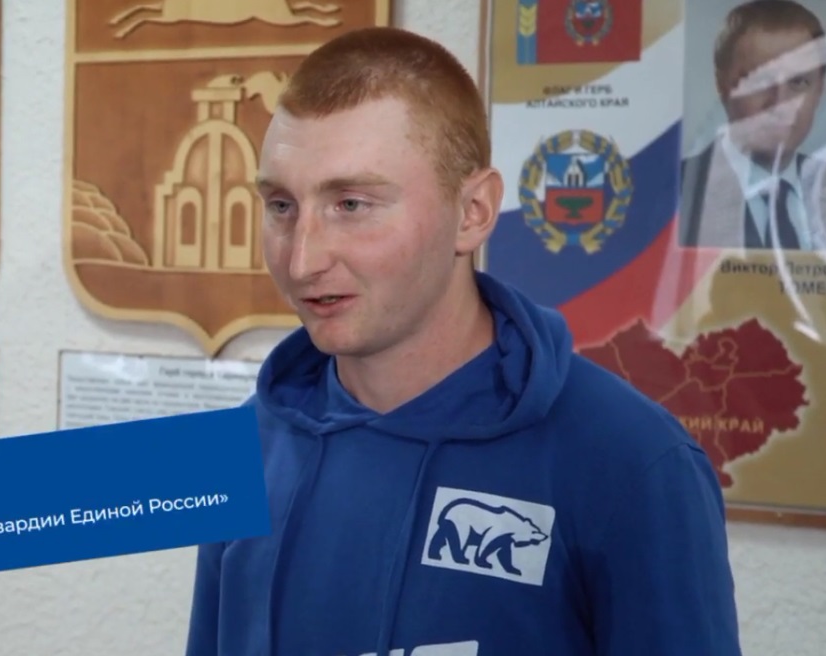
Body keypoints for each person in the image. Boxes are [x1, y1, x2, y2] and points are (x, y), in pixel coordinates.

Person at [184, 26, 742, 656]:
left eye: (352, 204)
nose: (303, 260)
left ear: (474, 212)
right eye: (282, 206)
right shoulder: (240, 450)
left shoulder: (633, 463)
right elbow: (88, 505)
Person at [679, 0, 826, 251]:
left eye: (799, 82)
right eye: (760, 81)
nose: (779, 104)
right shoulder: (674, 194)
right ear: (722, 85)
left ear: (820, 89)